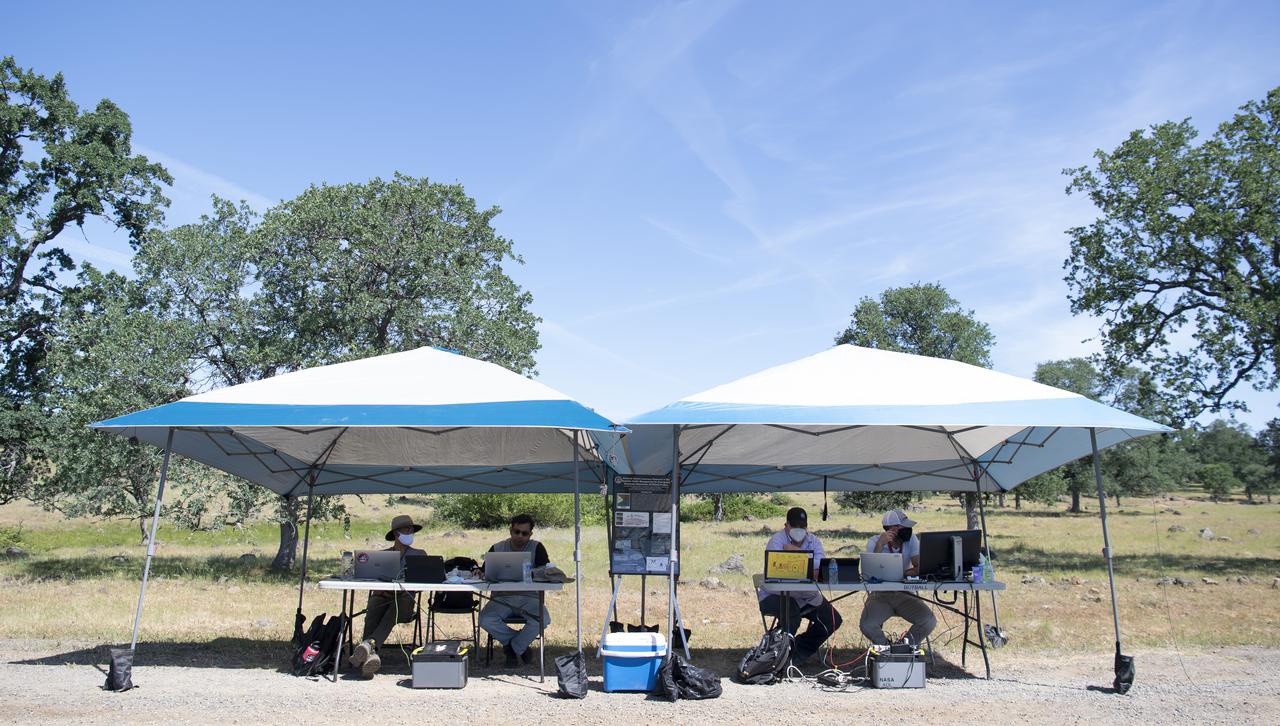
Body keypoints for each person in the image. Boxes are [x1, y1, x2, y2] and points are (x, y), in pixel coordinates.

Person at [756, 506, 842, 667]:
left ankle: (798, 651)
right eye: (795, 526)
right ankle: (777, 657)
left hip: (807, 595)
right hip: (775, 595)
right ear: (786, 525)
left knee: (833, 619)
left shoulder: (813, 540)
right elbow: (776, 567)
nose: (799, 530)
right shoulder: (777, 540)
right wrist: (806, 562)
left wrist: (794, 553)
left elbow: (820, 563)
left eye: (802, 526)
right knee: (792, 613)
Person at [348, 514, 426, 678]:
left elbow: (424, 582)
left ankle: (368, 645)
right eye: (407, 529)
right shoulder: (381, 556)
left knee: (396, 605)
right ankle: (371, 655)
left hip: (404, 603)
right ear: (397, 534)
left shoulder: (420, 554)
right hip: (383, 598)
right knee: (375, 601)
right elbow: (369, 577)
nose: (411, 532)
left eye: (412, 529)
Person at [479, 513, 552, 668]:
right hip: (501, 598)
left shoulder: (537, 547)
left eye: (524, 533)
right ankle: (520, 647)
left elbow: (546, 571)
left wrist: (534, 574)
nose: (519, 536)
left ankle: (512, 648)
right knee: (485, 619)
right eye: (516, 532)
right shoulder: (497, 547)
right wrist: (481, 573)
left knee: (543, 619)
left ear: (530, 534)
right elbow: (484, 572)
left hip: (530, 598)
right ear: (510, 530)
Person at [859, 509, 937, 646]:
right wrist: (880, 545)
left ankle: (903, 647)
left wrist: (908, 572)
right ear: (892, 529)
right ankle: (885, 648)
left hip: (904, 594)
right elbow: (869, 574)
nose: (909, 529)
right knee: (867, 625)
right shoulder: (874, 542)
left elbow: (919, 567)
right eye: (904, 526)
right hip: (880, 596)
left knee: (928, 621)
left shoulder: (911, 540)